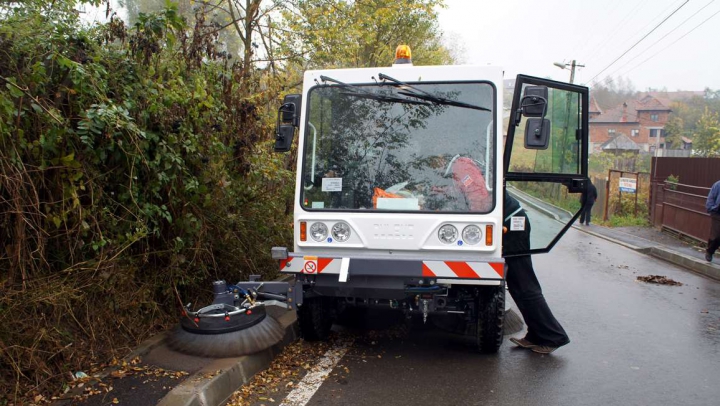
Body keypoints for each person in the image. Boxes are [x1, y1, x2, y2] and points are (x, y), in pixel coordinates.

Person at [503, 190, 570, 354]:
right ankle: (535, 335)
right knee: (518, 286)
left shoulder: (464, 166)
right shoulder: (467, 167)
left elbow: (478, 200)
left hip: (512, 225)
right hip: (510, 221)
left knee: (524, 284)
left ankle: (553, 336)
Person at [705, 180, 720, 262]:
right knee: (716, 236)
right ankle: (710, 251)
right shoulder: (718, 185)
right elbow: (711, 198)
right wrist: (712, 208)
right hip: (717, 213)